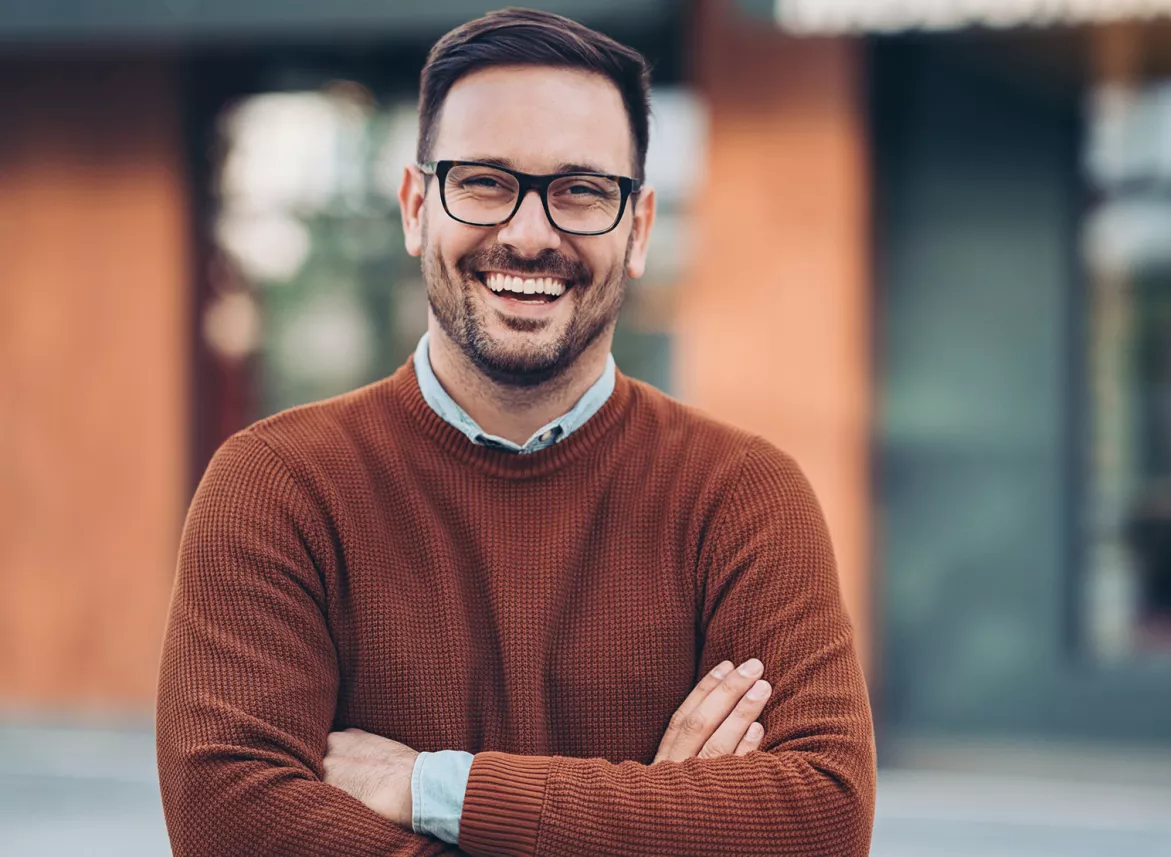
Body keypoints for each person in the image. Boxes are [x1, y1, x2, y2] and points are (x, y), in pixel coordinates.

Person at [156, 8, 875, 855]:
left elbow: (821, 819)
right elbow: (229, 825)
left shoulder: (743, 495)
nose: (530, 235)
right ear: (418, 205)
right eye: (486, 182)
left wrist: (433, 785)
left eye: (580, 190)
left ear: (637, 229)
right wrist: (662, 815)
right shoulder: (277, 485)